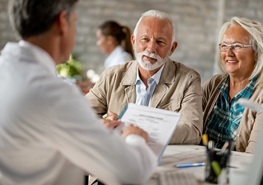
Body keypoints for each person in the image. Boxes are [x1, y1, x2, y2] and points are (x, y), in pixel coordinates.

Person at [0, 0, 157, 185]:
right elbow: (132, 172)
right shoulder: (54, 94)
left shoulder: (7, 68)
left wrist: (92, 130)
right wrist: (134, 136)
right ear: (62, 22)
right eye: (75, 22)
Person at [86, 10, 203, 144]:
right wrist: (102, 123)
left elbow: (192, 131)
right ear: (133, 41)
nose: (151, 48)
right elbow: (80, 114)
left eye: (160, 42)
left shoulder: (188, 80)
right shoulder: (111, 75)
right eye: (145, 39)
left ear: (172, 48)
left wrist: (139, 131)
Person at [202, 17, 263, 153]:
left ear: (256, 52)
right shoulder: (215, 84)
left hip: (238, 171)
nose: (228, 53)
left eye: (237, 46)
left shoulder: (260, 96)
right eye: (224, 46)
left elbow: (252, 157)